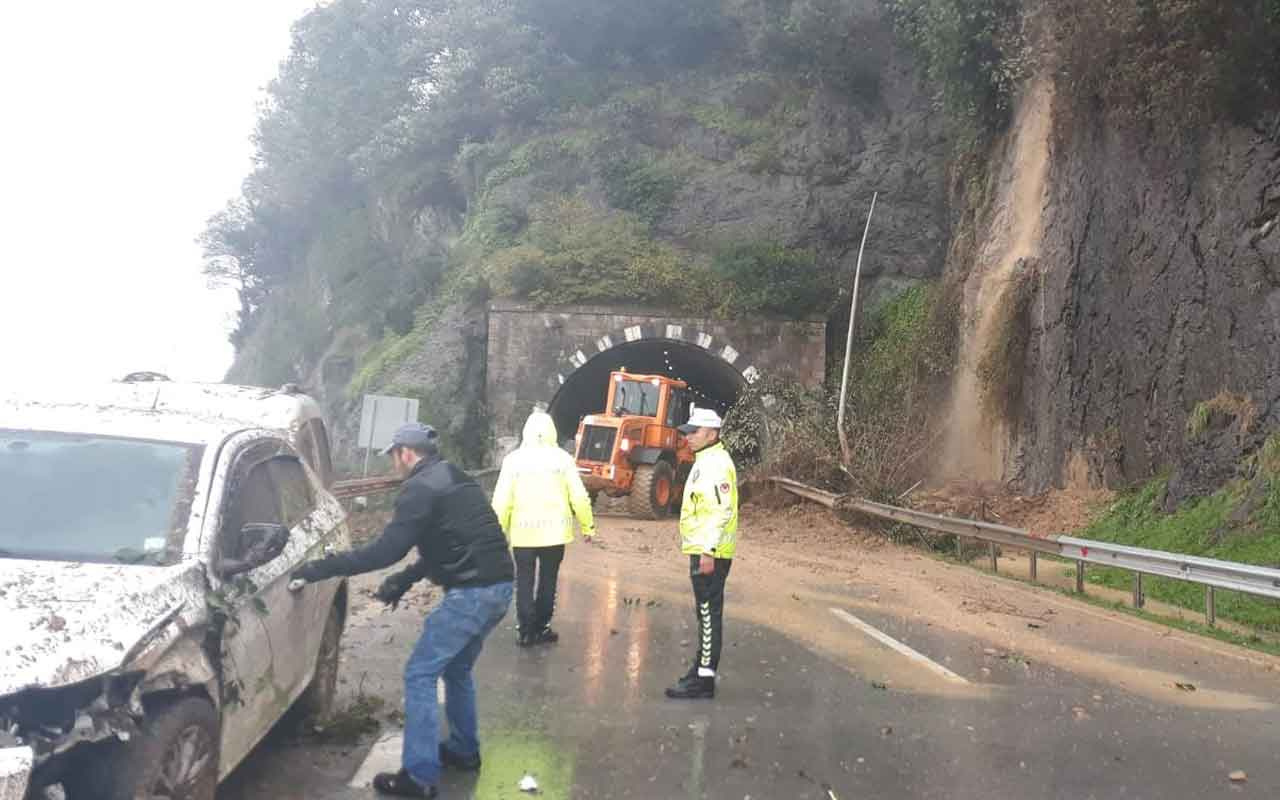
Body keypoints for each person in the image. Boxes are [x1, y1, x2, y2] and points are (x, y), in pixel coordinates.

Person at [291, 422, 514, 799]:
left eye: (394, 456)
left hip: (472, 594)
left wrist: (319, 569)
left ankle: (419, 777)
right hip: (500, 586)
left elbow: (384, 551)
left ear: (406, 453)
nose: (394, 464)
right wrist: (407, 578)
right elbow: (452, 541)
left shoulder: (418, 488)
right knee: (457, 669)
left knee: (420, 674)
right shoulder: (453, 476)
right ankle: (463, 750)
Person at [491, 409, 597, 647]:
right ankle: (542, 626)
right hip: (554, 535)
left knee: (524, 581)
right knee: (549, 580)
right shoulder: (563, 460)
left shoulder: (513, 460)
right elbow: (579, 496)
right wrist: (587, 526)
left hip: (523, 535)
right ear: (552, 431)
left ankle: (526, 631)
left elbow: (502, 500)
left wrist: (496, 533)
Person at [665, 407, 738, 701]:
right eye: (687, 432)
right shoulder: (705, 459)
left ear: (711, 433)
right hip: (703, 548)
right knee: (704, 613)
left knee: (708, 614)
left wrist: (707, 550)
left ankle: (704, 679)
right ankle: (699, 670)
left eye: (694, 432)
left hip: (711, 551)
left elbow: (722, 510)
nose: (689, 438)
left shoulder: (717, 464)